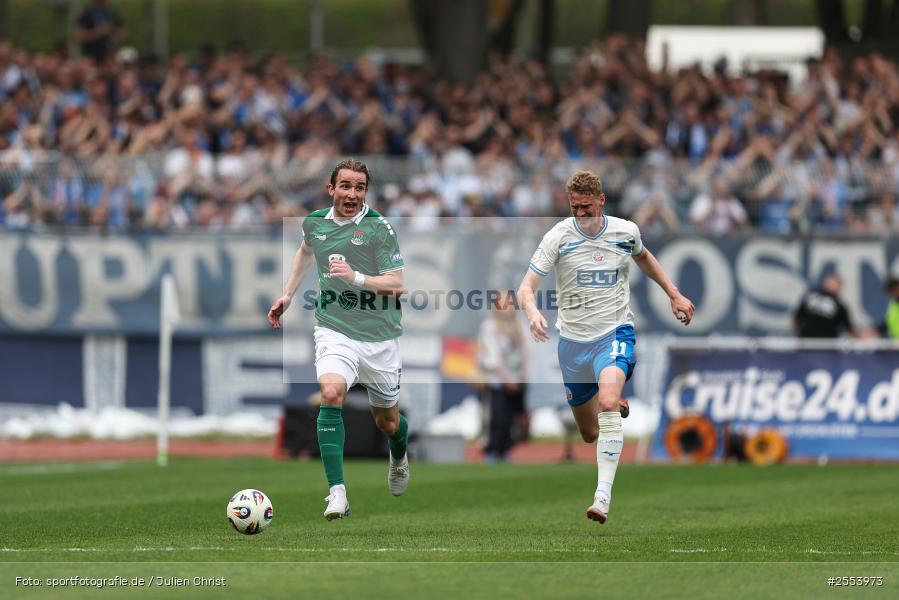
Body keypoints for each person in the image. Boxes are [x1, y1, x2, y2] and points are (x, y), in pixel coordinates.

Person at [517, 170, 695, 524]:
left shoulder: (625, 231)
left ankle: (602, 497)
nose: (580, 214)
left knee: (608, 403)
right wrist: (533, 313)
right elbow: (526, 288)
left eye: (586, 207)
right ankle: (612, 403)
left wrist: (674, 294)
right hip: (572, 344)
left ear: (601, 201)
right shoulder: (558, 237)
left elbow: (643, 256)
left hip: (614, 334)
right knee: (590, 432)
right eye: (574, 208)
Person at [267, 158, 409, 520]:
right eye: (345, 186)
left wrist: (355, 277)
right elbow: (305, 251)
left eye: (359, 188)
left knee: (387, 422)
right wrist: (288, 294)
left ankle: (398, 452)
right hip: (334, 328)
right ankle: (337, 493)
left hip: (379, 337)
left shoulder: (379, 229)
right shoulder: (315, 223)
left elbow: (397, 285)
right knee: (330, 394)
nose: (352, 194)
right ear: (331, 189)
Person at [477, 291, 528, 463]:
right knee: (496, 417)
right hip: (497, 381)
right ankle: (492, 450)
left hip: (516, 381)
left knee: (510, 419)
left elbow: (525, 352)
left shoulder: (519, 325)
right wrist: (507, 379)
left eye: (509, 302)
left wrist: (522, 376)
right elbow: (492, 358)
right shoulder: (489, 326)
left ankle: (506, 450)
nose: (506, 307)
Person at [793, 274, 859, 338]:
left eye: (836, 284)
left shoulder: (840, 305)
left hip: (825, 343)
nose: (833, 285)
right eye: (832, 283)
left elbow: (849, 328)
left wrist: (859, 335)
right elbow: (797, 318)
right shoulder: (811, 295)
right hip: (809, 341)